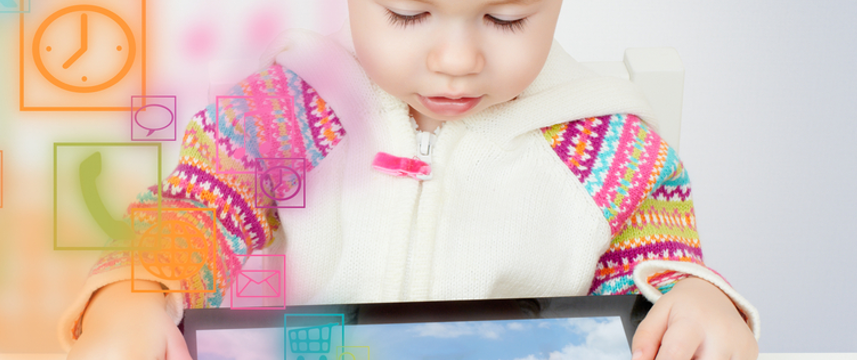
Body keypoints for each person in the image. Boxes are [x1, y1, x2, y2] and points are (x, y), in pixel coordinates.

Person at [62, 0, 760, 359]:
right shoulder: (295, 108)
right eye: (407, 11)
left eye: (506, 16)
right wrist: (136, 291)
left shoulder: (610, 145)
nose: (456, 58)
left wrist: (697, 300)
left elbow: (654, 273)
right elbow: (196, 216)